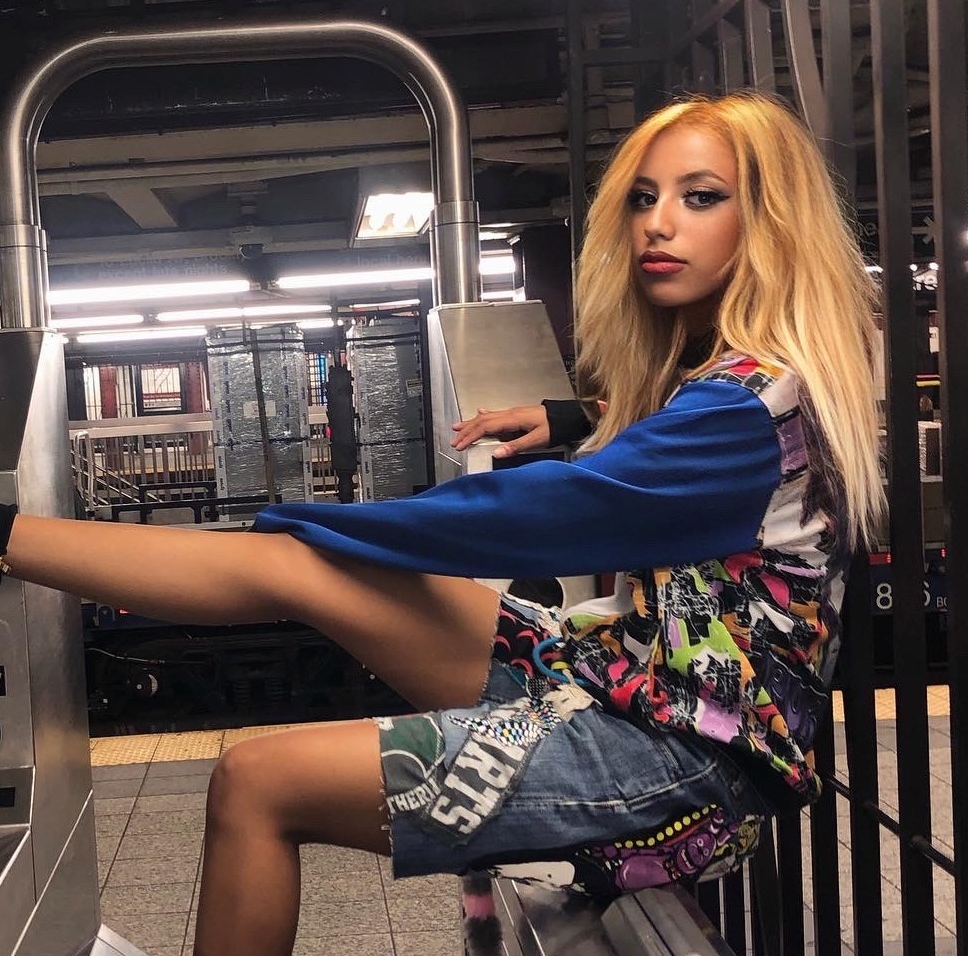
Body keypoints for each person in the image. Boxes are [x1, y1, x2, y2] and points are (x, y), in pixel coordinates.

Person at [0, 91, 883, 956]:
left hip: (680, 764)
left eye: (702, 197)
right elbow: (672, 456)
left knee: (255, 782)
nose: (658, 224)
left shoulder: (741, 411)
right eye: (645, 198)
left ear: (772, 223)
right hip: (624, 682)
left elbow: (542, 513)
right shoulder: (756, 383)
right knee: (297, 562)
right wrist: (567, 416)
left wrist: (337, 520)